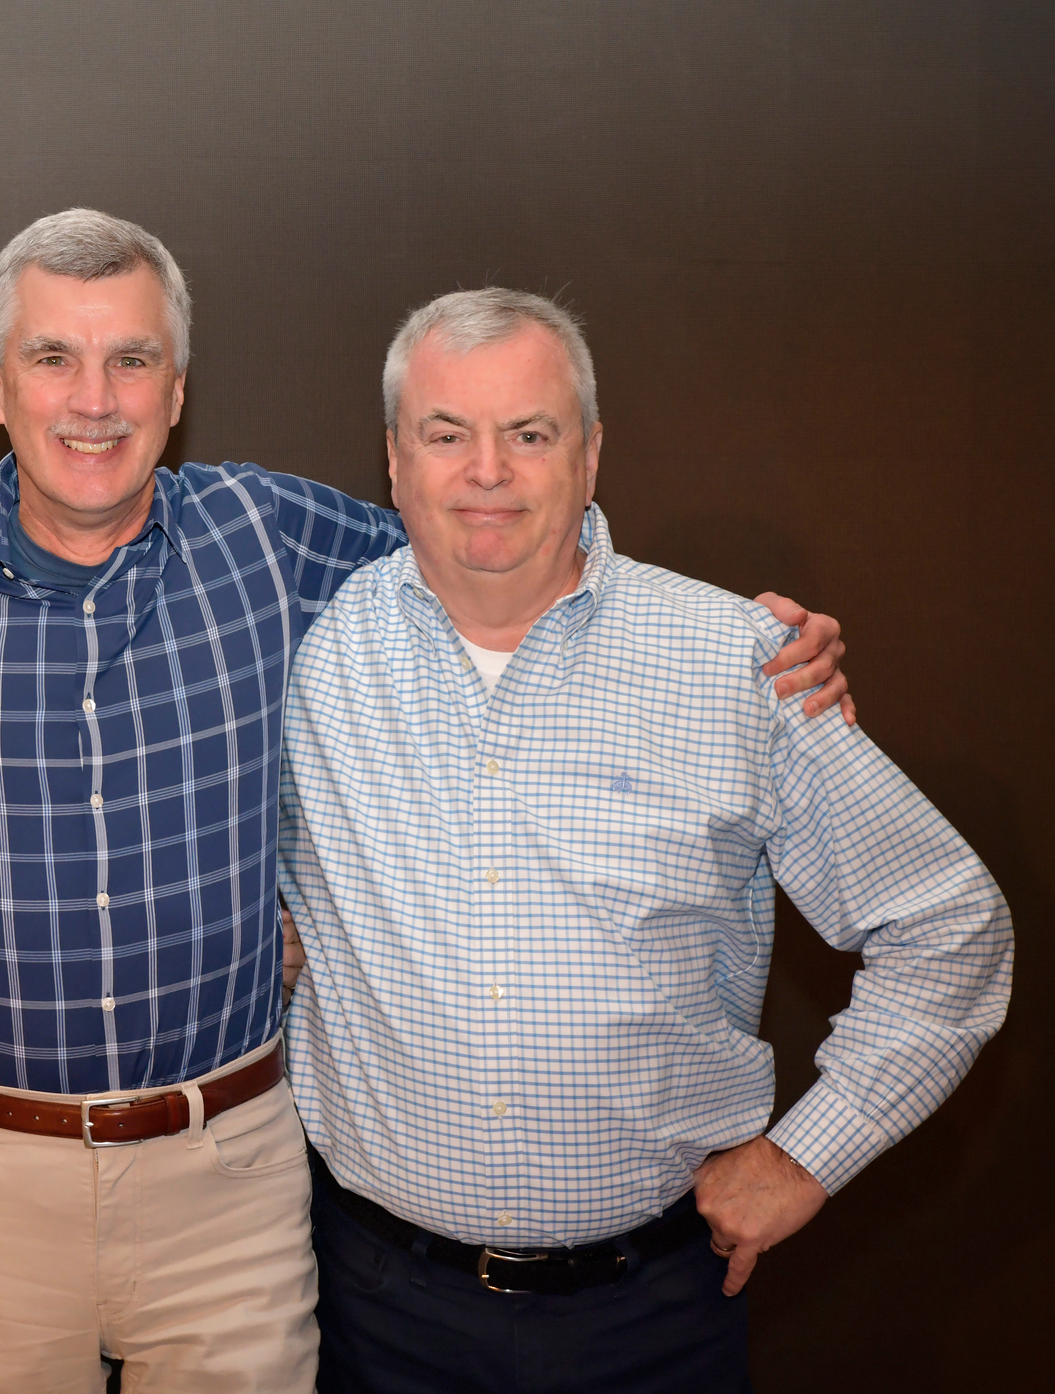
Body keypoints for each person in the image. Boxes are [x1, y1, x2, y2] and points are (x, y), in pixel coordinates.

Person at [0, 211, 851, 1393]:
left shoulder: (280, 539)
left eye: (132, 361)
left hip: (231, 1176)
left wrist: (742, 642)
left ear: (178, 390)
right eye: (53, 358)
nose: (93, 398)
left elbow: (496, 534)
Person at [278, 288, 1012, 1393]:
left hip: (649, 1320)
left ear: (591, 453)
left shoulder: (739, 661)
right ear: (392, 459)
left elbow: (950, 923)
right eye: (447, 433)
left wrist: (808, 1154)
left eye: (530, 433)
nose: (488, 470)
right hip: (378, 1313)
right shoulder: (308, 644)